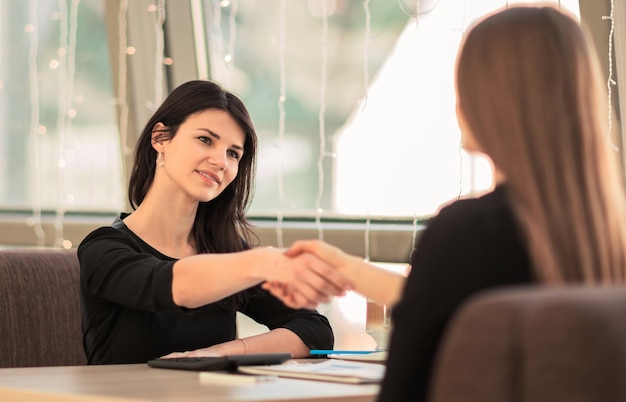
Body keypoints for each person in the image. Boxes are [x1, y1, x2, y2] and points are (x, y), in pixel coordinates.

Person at [265, 4, 626, 401]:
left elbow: (404, 387)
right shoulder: (599, 234)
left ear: (490, 101)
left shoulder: (469, 231)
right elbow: (476, 304)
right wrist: (350, 269)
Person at [78, 80, 351, 365]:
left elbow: (315, 331)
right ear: (160, 138)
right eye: (205, 140)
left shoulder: (223, 251)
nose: (221, 161)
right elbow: (171, 285)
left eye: (233, 153)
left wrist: (223, 352)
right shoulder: (104, 249)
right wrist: (264, 261)